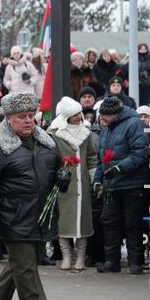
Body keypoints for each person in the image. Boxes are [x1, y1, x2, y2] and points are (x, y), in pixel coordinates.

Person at [0, 92, 68, 300]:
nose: (28, 121)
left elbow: (58, 170)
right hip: (12, 217)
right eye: (21, 117)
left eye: (30, 116)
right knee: (25, 266)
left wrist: (63, 177)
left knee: (29, 260)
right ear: (8, 118)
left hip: (41, 215)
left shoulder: (46, 142)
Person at [93, 95, 150, 274]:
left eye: (105, 116)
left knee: (132, 223)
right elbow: (102, 160)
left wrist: (119, 169)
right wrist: (97, 180)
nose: (102, 119)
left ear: (115, 114)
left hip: (131, 184)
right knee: (109, 221)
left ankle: (135, 262)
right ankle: (112, 261)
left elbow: (140, 153)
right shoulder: (107, 129)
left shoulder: (134, 124)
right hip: (112, 185)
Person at [47, 97, 98, 271]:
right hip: (63, 183)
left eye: (80, 113)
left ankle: (81, 256)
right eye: (75, 114)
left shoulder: (87, 131)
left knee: (83, 219)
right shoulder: (53, 133)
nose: (79, 116)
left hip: (82, 182)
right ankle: (66, 255)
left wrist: (94, 179)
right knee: (63, 220)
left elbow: (91, 156)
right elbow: (49, 158)